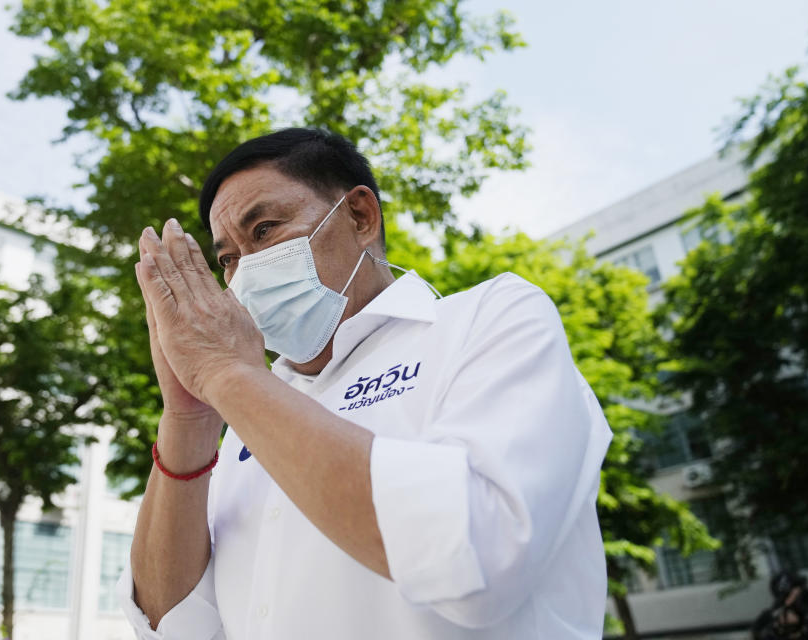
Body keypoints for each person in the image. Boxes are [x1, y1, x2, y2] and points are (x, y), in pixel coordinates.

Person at [117, 127, 614, 639]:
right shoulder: (246, 405)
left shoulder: (489, 318)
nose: (244, 273)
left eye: (264, 230)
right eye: (227, 258)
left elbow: (479, 557)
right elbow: (171, 625)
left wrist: (227, 375)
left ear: (360, 215)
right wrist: (189, 417)